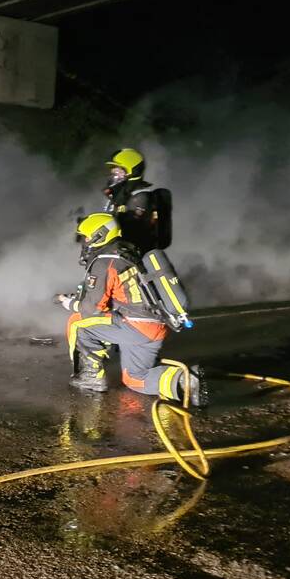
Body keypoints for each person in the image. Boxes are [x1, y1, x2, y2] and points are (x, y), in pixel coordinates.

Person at [54, 213, 201, 404]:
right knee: (135, 379)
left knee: (78, 323)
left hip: (134, 326)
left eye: (87, 237)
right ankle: (185, 380)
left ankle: (91, 377)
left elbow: (92, 308)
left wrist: (68, 302)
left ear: (100, 235)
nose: (85, 242)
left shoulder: (106, 260)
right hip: (155, 326)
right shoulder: (128, 251)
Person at [101, 148, 169, 252]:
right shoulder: (118, 197)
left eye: (118, 172)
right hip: (118, 253)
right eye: (113, 172)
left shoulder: (141, 197)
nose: (114, 176)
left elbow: (132, 232)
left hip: (134, 256)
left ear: (132, 172)